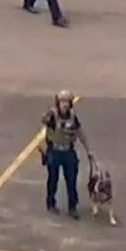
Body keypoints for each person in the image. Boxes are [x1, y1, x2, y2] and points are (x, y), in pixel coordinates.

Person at [40, 90, 89, 219]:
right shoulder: (53, 115)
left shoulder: (72, 117)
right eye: (62, 102)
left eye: (67, 102)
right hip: (54, 151)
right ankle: (51, 203)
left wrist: (88, 150)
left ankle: (72, 207)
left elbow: (80, 132)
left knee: (71, 180)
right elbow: (44, 123)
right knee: (53, 179)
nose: (64, 105)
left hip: (68, 151)